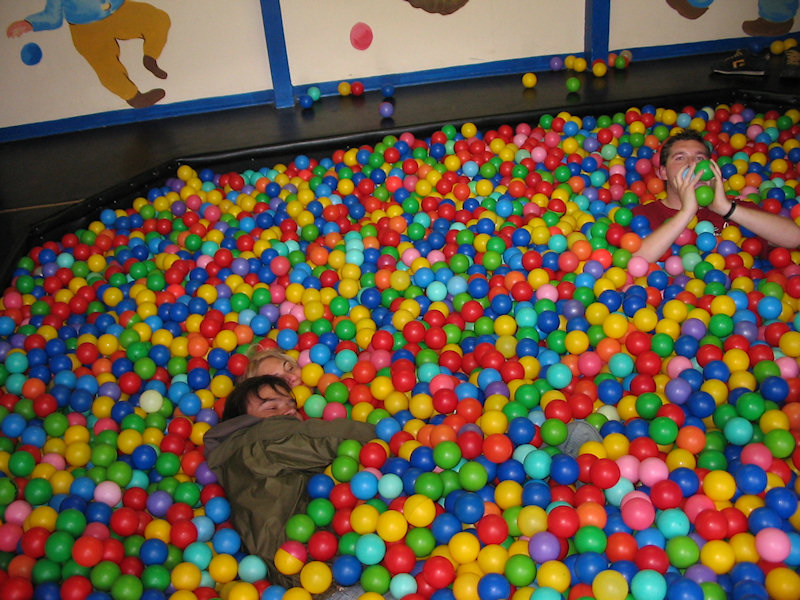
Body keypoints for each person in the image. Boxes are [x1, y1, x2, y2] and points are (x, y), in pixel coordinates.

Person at [204, 374, 376, 594]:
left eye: (291, 404)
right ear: (242, 420)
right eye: (271, 407)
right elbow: (325, 438)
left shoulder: (238, 461)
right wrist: (389, 437)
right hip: (330, 573)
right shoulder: (260, 438)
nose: (288, 411)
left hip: (307, 579)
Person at [631, 129, 800, 263]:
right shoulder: (643, 215)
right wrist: (687, 212)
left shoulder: (736, 210)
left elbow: (794, 237)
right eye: (680, 158)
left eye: (699, 158)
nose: (692, 164)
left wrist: (726, 208)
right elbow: (634, 262)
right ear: (663, 173)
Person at [6, 0, 170, 108]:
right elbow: (52, 17)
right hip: (86, 29)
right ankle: (134, 97)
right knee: (106, 65)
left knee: (157, 19)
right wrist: (29, 23)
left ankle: (150, 57)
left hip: (120, 11)